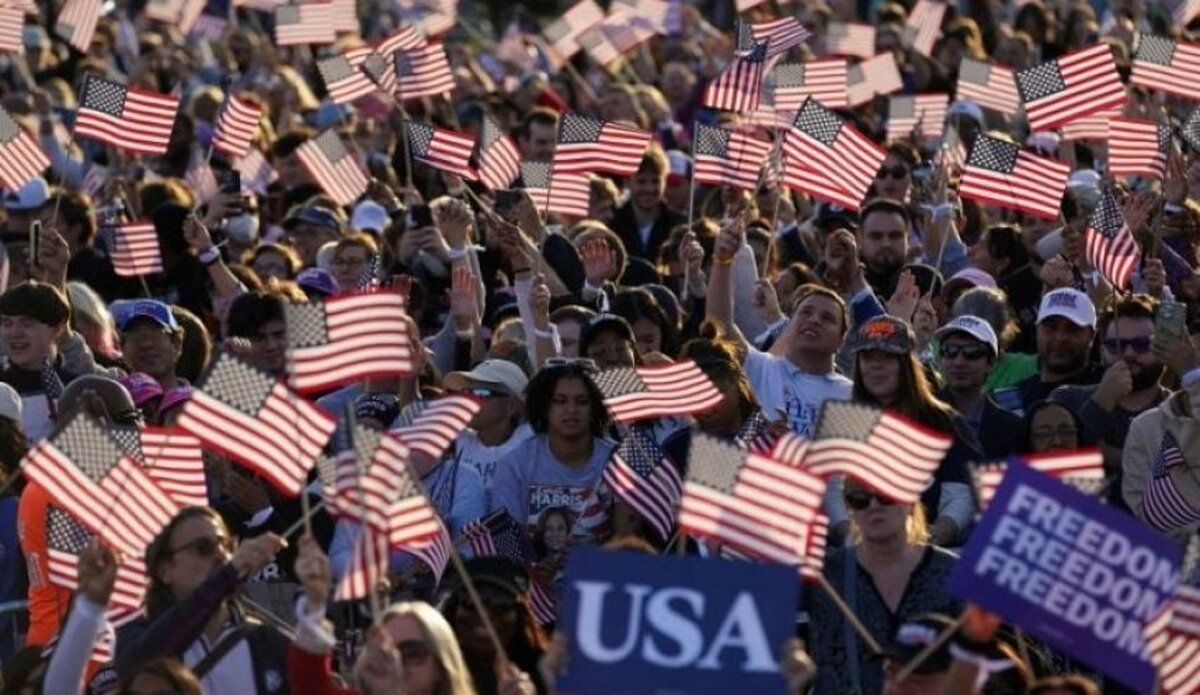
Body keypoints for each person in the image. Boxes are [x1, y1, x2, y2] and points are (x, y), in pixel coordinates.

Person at [808, 478, 962, 694]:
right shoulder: (821, 574)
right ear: (850, 508)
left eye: (886, 496)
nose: (874, 506)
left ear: (910, 500)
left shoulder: (953, 573)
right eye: (860, 499)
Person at [114, 506, 290, 693]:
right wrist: (227, 576)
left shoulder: (266, 641)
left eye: (226, 545)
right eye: (203, 548)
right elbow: (141, 665)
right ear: (165, 571)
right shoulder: (137, 637)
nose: (221, 555)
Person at [706, 217, 853, 438]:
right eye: (805, 312)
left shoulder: (852, 394)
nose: (814, 320)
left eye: (827, 318)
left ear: (841, 341)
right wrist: (723, 261)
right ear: (790, 324)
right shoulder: (762, 369)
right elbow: (719, 324)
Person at [838, 315, 978, 546]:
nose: (875, 365)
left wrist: (931, 538)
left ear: (907, 364)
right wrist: (850, 539)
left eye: (887, 357)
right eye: (868, 357)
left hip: (931, 552)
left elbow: (960, 495)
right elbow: (834, 494)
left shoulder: (944, 421)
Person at [1050, 295, 1171, 508]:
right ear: (1102, 350)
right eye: (1116, 345)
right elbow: (1049, 465)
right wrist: (1100, 402)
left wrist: (1109, 454)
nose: (1129, 353)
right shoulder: (1067, 399)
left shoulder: (1179, 410)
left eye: (1143, 345)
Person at [490, 362, 616, 546]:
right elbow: (506, 541)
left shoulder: (618, 459)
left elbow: (627, 541)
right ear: (544, 407)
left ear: (595, 408)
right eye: (560, 401)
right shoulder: (515, 464)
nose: (571, 410)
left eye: (582, 401)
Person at [440, 557, 549, 695]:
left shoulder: (547, 672)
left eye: (500, 604)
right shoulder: (430, 669)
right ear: (453, 609)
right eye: (471, 602)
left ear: (521, 614)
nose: (484, 614)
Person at [993, 288, 1102, 417]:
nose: (1060, 337)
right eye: (1051, 327)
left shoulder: (1109, 386)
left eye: (1072, 329)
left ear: (1092, 335)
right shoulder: (1008, 399)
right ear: (1037, 330)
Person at [443, 360, 534, 509]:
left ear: (512, 405)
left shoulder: (530, 442)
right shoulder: (461, 437)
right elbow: (411, 420)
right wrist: (410, 378)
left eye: (481, 394)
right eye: (467, 393)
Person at [933, 315, 1022, 459]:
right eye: (949, 351)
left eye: (972, 352)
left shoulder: (1012, 428)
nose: (959, 362)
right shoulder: (921, 416)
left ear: (991, 362)